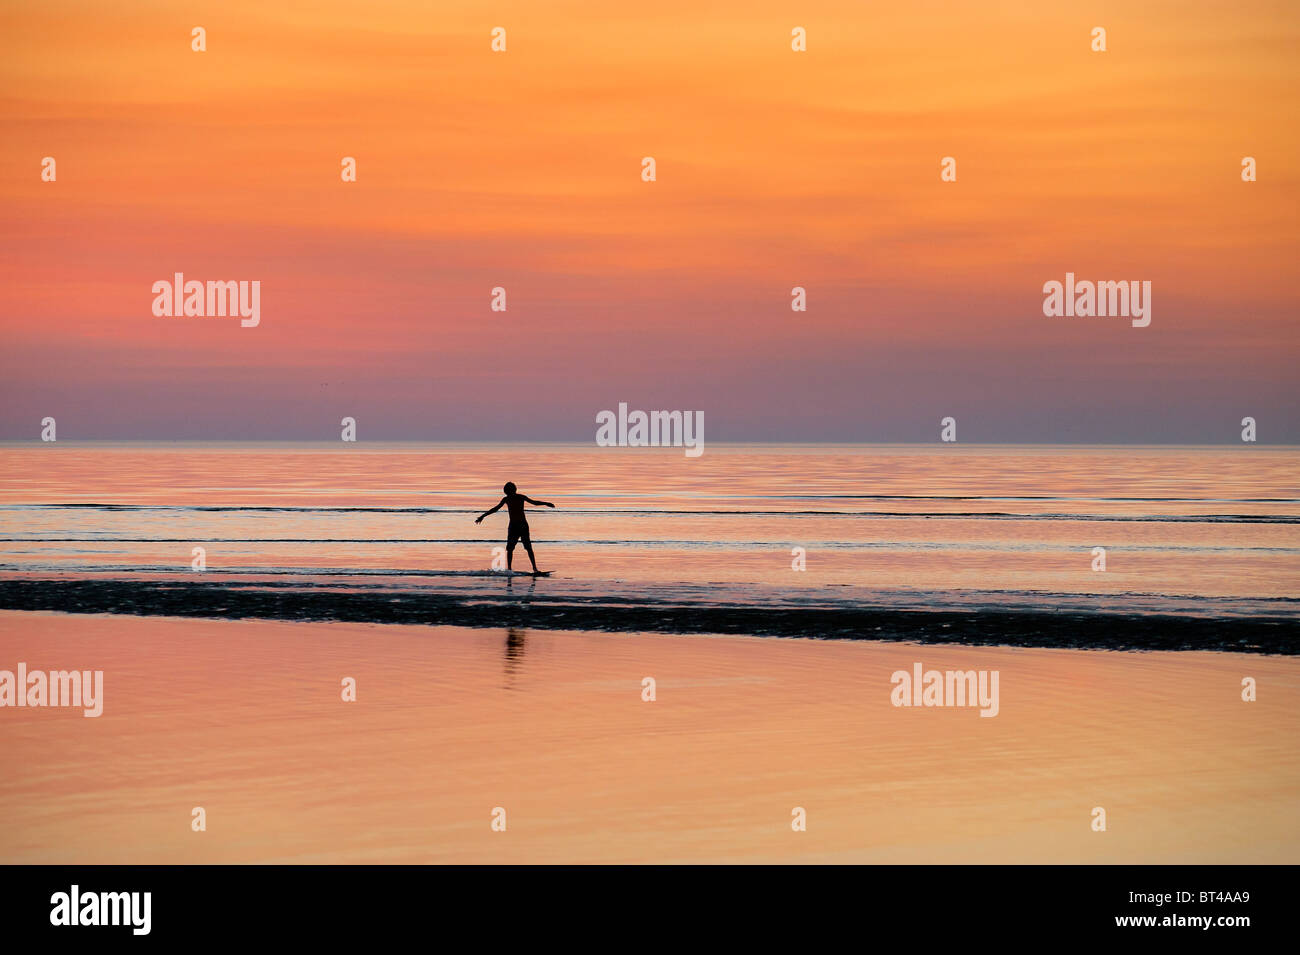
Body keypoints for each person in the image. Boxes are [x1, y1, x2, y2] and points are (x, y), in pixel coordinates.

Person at [475, 482, 554, 574]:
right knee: (510, 549)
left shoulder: (519, 497)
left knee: (527, 547)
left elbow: (534, 503)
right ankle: (510, 569)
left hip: (522, 525)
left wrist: (546, 503)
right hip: (514, 526)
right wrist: (483, 516)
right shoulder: (507, 499)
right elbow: (495, 509)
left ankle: (534, 568)